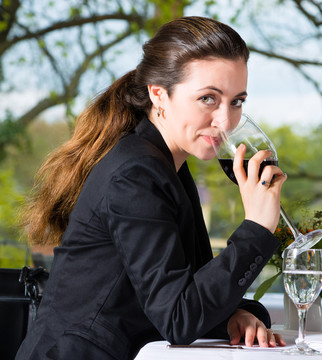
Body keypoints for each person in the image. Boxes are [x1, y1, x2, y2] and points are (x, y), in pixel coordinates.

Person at [16, 16, 287, 360]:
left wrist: (234, 315)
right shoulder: (136, 173)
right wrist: (257, 229)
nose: (226, 121)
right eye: (208, 99)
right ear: (159, 94)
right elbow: (179, 319)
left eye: (236, 101)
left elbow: (182, 297)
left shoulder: (168, 165)